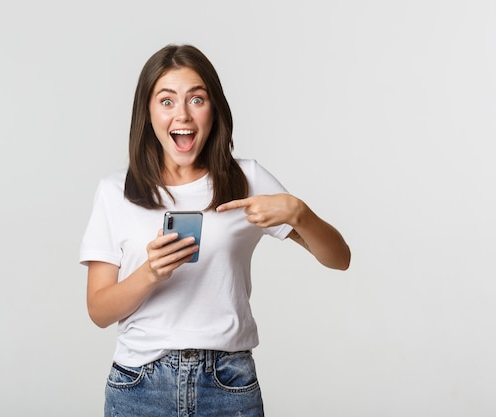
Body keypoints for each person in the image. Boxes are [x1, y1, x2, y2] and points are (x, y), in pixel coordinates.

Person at [80, 44, 351, 417]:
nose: (183, 114)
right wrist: (150, 273)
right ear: (147, 112)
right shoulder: (116, 191)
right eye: (167, 101)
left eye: (196, 99)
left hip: (228, 384)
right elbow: (99, 310)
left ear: (214, 109)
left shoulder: (246, 178)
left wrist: (300, 213)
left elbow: (340, 259)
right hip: (139, 387)